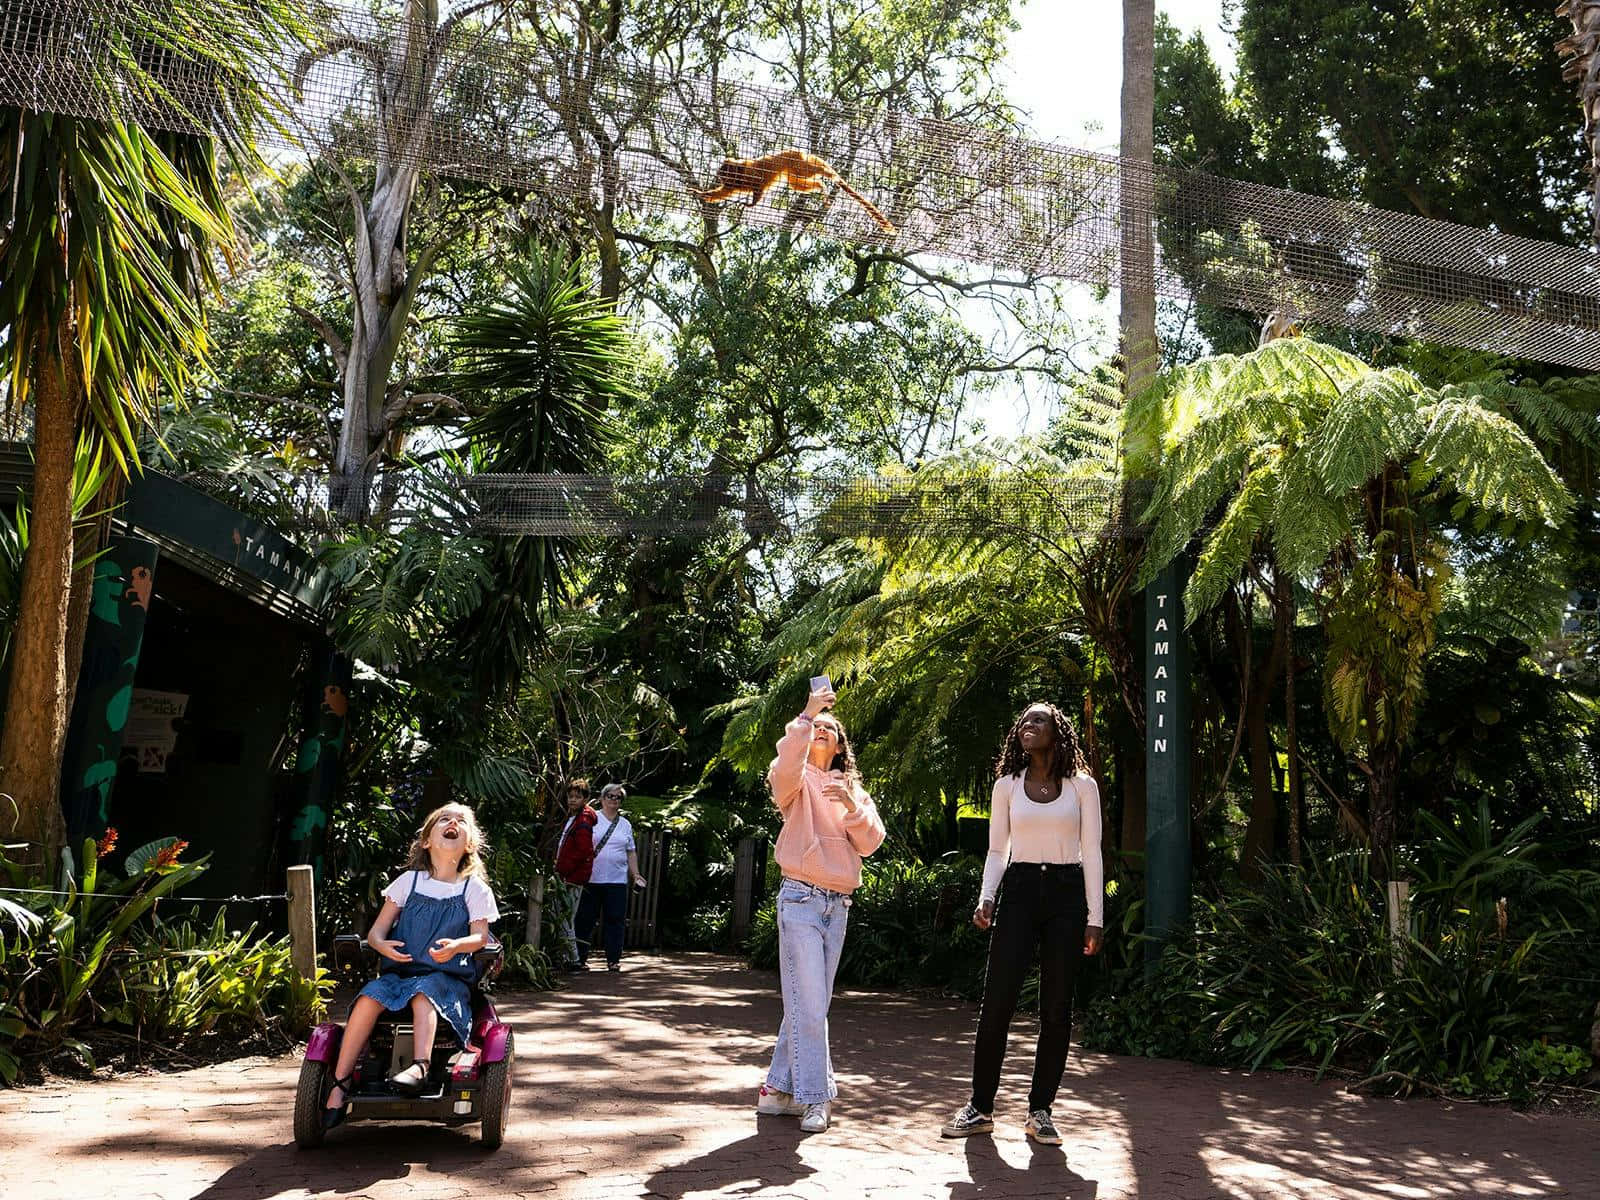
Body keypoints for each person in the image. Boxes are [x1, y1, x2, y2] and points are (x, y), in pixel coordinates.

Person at [941, 701, 1104, 1146]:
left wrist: (1095, 917)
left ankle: (1041, 1111)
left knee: (1057, 1008)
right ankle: (980, 1107)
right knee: (997, 1002)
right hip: (1020, 888)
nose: (1027, 727)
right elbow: (998, 851)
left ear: (1058, 731)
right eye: (1023, 722)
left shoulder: (1082, 787)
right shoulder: (1007, 786)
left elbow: (1092, 853)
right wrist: (986, 898)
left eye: (1038, 720)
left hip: (1068, 894)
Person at [756, 683, 885, 1134]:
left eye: (832, 728)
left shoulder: (852, 787)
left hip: (839, 905)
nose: (824, 731)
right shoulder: (795, 780)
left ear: (841, 744)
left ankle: (776, 1091)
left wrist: (853, 806)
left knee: (807, 1004)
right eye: (818, 728)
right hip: (800, 900)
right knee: (811, 1006)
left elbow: (871, 843)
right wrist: (808, 713)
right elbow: (782, 772)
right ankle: (815, 1097)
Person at [323, 803, 500, 1129]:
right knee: (368, 997)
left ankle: (420, 1065)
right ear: (427, 841)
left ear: (469, 844)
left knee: (425, 992)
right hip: (399, 974)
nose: (453, 823)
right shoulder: (409, 882)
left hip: (445, 978)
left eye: (462, 822)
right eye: (445, 819)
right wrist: (380, 943)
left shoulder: (473, 888)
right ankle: (340, 1081)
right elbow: (376, 931)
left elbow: (480, 937)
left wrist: (459, 945)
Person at [573, 783, 647, 972]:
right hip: (592, 879)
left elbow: (631, 852)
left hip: (617, 880)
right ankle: (580, 959)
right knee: (585, 920)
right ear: (602, 798)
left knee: (615, 920)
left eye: (618, 797)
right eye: (610, 796)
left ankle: (613, 960)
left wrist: (635, 874)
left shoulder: (625, 824)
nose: (614, 800)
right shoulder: (592, 818)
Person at [552, 778, 596, 970]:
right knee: (561, 915)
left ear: (585, 799)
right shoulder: (575, 818)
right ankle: (566, 956)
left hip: (572, 878)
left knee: (565, 916)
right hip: (569, 875)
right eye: (570, 796)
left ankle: (573, 959)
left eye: (577, 797)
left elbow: (582, 851)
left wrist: (563, 870)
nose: (572, 800)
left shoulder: (583, 821)